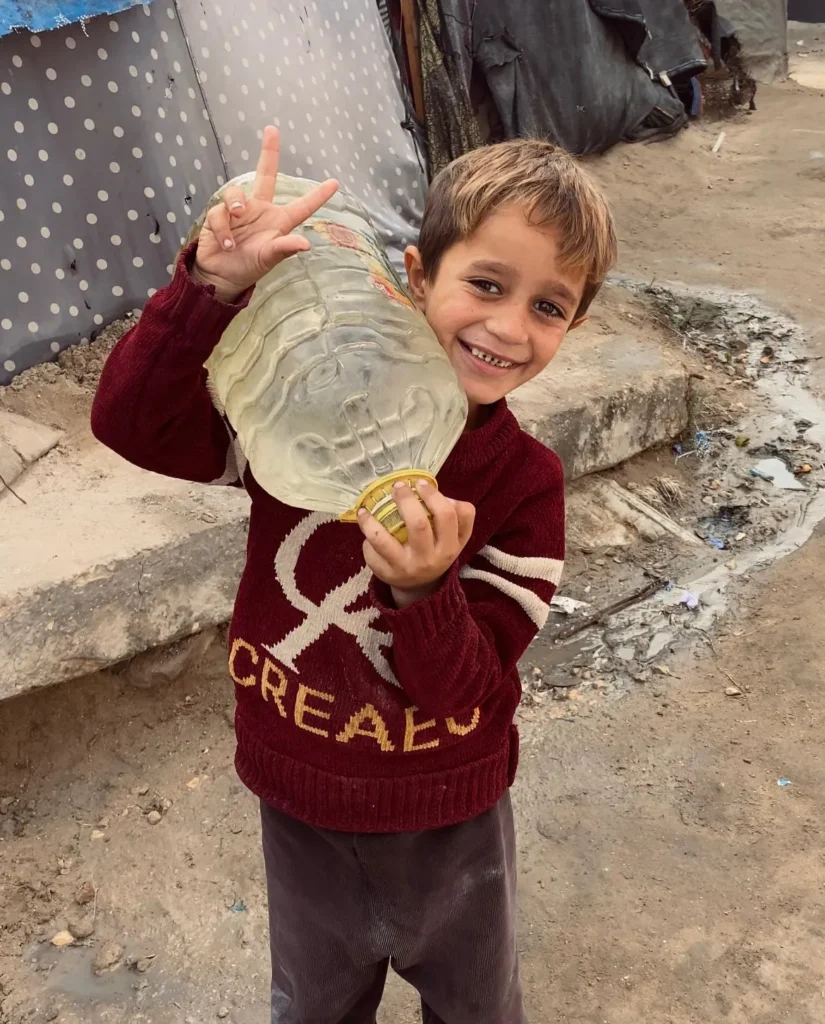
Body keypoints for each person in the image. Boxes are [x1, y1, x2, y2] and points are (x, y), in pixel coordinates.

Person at [91, 126, 616, 1024]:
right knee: (314, 1007)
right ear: (415, 275)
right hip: (299, 796)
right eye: (485, 284)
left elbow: (473, 692)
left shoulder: (523, 483)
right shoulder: (297, 414)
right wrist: (211, 290)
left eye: (547, 306)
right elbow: (131, 423)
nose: (504, 326)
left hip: (448, 817)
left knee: (477, 1007)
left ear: (573, 325)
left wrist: (422, 591)